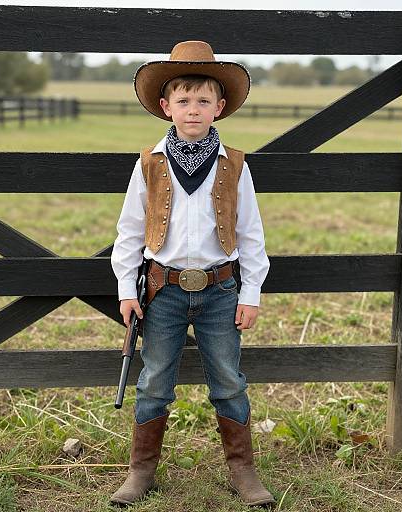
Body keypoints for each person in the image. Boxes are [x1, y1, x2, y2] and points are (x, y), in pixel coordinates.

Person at [110, 40, 274, 508]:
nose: (193, 109)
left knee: (228, 379)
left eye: (204, 100)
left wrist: (252, 293)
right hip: (162, 289)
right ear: (166, 107)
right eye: (183, 100)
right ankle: (141, 471)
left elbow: (251, 234)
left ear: (219, 108)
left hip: (221, 289)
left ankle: (242, 470)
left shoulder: (235, 165)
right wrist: (127, 289)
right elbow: (128, 232)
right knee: (155, 379)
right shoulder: (149, 164)